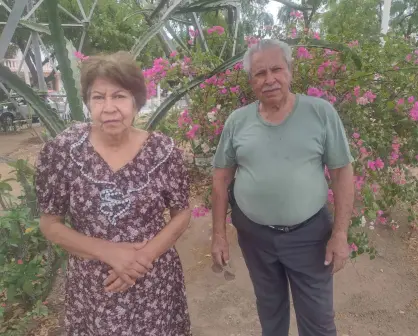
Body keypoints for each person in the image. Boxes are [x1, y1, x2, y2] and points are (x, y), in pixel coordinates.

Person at [35, 51, 192, 335]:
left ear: (136, 102)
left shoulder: (164, 151)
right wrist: (109, 252)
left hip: (153, 282)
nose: (109, 108)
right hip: (93, 289)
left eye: (119, 96)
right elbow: (50, 223)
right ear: (87, 103)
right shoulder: (62, 152)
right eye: (98, 97)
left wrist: (142, 258)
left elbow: (182, 212)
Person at [211, 39, 354, 336]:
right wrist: (219, 235)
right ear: (251, 81)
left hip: (310, 237)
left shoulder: (320, 112)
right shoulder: (237, 121)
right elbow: (221, 178)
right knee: (270, 311)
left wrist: (340, 234)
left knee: (318, 322)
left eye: (277, 69)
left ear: (290, 70)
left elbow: (341, 174)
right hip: (255, 237)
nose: (269, 79)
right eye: (260, 73)